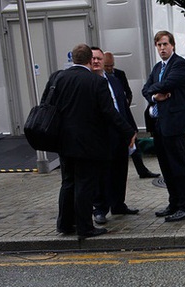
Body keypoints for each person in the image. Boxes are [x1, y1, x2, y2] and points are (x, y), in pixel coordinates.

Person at [49, 44, 136, 239]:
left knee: (68, 182)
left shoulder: (58, 78)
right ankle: (85, 227)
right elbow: (109, 112)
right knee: (84, 184)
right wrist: (128, 131)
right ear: (90, 60)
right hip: (88, 143)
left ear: (74, 59)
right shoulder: (96, 82)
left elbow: (49, 105)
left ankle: (64, 223)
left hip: (64, 141)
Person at [142, 30, 185, 222]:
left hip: (175, 124)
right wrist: (155, 96)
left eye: (165, 44)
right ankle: (174, 203)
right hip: (158, 125)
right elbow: (146, 89)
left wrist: (154, 89)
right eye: (159, 45)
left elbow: (169, 83)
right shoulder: (158, 67)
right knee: (166, 168)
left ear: (172, 45)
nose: (162, 48)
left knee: (179, 167)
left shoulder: (179, 64)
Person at [90, 47, 140, 226]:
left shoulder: (114, 80)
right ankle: (100, 209)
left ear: (104, 61)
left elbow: (123, 107)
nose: (96, 62)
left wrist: (131, 130)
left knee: (120, 171)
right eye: (93, 59)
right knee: (102, 174)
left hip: (120, 134)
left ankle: (118, 204)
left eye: (99, 58)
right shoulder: (88, 82)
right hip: (100, 136)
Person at [103, 52, 160, 179]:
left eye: (112, 65)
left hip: (123, 114)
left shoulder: (118, 75)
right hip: (112, 118)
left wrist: (125, 103)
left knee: (134, 141)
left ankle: (141, 169)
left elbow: (128, 92)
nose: (110, 68)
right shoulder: (99, 78)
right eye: (107, 66)